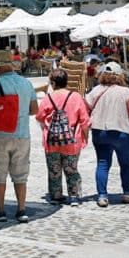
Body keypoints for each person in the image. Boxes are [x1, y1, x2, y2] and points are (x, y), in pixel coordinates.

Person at [0, 63, 38, 223]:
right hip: (21, 134)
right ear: (13, 66)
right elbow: (35, 110)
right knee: (20, 174)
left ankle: (0, 211)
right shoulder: (27, 83)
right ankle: (21, 210)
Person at [86, 62, 129, 207]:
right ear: (119, 76)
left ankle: (102, 196)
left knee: (103, 163)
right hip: (122, 132)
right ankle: (127, 193)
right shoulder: (126, 92)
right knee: (126, 164)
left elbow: (86, 109)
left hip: (100, 132)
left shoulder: (95, 91)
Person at [36, 69, 91, 206]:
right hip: (72, 140)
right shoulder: (76, 97)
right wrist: (85, 137)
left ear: (53, 83)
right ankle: (74, 196)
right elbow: (85, 121)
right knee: (71, 169)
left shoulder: (48, 98)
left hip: (52, 141)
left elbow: (40, 117)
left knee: (54, 169)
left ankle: (56, 195)